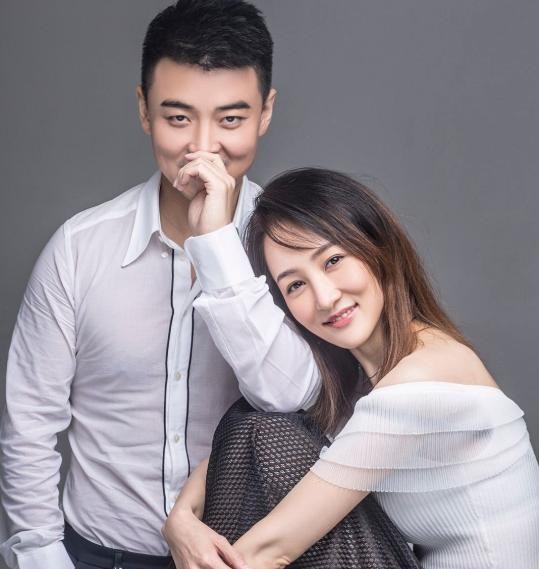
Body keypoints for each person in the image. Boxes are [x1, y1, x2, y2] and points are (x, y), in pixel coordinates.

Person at [0, 2, 325, 568]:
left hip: (246, 560)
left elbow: (289, 398)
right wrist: (42, 556)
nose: (203, 148)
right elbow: (28, 423)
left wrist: (219, 245)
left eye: (231, 120)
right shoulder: (78, 250)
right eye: (178, 118)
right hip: (97, 555)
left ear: (266, 112)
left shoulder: (298, 252)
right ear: (143, 110)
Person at [167, 168, 539, 568]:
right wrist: (181, 518)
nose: (325, 297)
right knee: (256, 421)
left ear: (377, 245)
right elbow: (249, 431)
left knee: (267, 434)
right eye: (295, 285)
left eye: (333, 260)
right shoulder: (361, 380)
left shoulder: (422, 379)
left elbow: (272, 550)